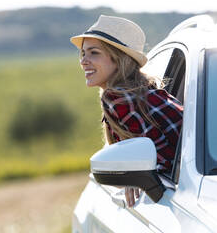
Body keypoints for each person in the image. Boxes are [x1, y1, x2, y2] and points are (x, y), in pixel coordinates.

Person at [70, 15, 183, 207]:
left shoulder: (119, 98)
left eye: (94, 53)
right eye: (83, 54)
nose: (84, 61)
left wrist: (136, 173)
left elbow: (161, 157)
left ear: (118, 59)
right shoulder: (141, 91)